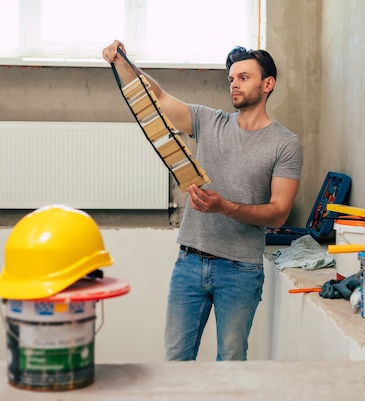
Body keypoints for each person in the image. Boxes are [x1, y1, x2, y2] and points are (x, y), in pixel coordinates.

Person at [102, 40, 303, 361]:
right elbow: (157, 98)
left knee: (231, 363)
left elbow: (279, 213)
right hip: (189, 263)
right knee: (176, 361)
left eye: (244, 77)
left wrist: (223, 207)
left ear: (268, 84)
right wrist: (123, 62)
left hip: (241, 271)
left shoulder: (285, 144)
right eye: (232, 78)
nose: (234, 84)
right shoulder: (209, 121)